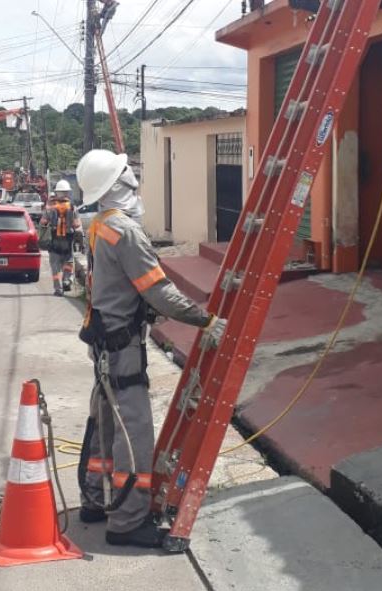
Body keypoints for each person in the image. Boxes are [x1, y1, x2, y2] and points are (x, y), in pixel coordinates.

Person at [75, 149, 227, 548]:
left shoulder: (100, 225)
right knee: (134, 433)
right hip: (122, 346)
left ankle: (95, 498)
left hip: (105, 342)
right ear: (120, 183)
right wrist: (206, 321)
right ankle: (126, 522)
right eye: (129, 174)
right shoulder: (124, 231)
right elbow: (159, 293)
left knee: (105, 424)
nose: (134, 179)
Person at [40, 180, 82, 296]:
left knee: (55, 265)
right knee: (68, 262)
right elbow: (77, 224)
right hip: (67, 240)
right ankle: (66, 280)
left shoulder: (50, 206)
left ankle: (58, 289)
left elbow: (43, 222)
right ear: (68, 193)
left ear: (57, 192)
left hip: (54, 239)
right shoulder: (72, 206)